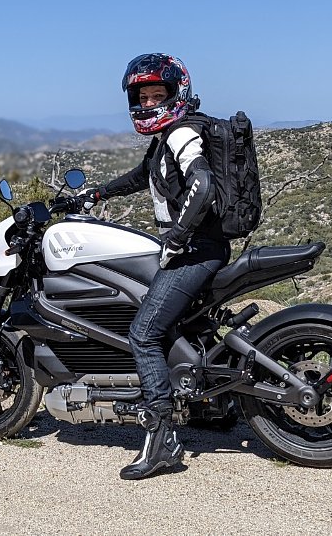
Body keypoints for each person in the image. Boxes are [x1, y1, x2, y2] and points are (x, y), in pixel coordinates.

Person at [82, 53, 231, 480]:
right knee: (175, 325)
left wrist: (178, 238)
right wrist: (96, 194)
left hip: (196, 250)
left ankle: (163, 440)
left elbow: (202, 184)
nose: (148, 103)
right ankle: (214, 406)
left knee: (143, 333)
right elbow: (143, 175)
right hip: (198, 248)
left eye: (156, 95)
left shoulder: (182, 133)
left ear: (176, 93)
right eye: (142, 97)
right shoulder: (167, 137)